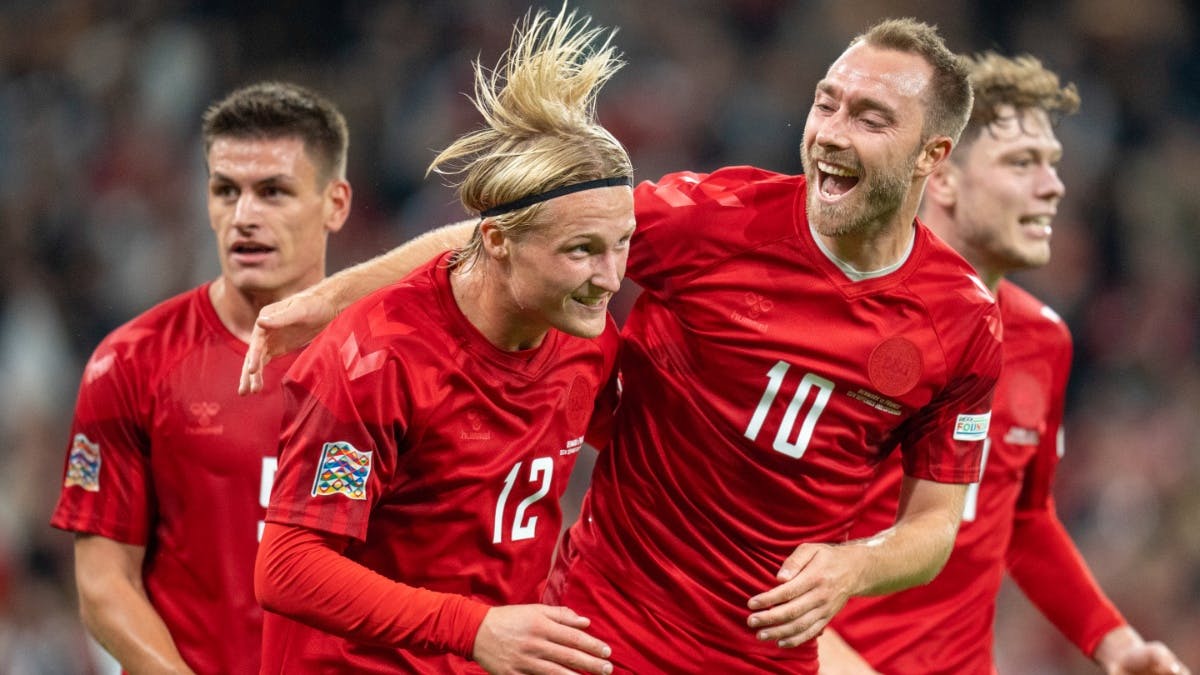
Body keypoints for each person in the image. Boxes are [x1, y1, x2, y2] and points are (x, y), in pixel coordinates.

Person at [240, 18, 1002, 674]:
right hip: (602, 637)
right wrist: (330, 298)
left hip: (764, 655)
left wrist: (856, 565)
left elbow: (935, 525)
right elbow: (536, 228)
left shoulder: (964, 322)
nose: (831, 131)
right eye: (825, 102)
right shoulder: (717, 218)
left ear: (931, 155)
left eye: (870, 118)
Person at [252, 7, 628, 674]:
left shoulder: (583, 332)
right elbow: (287, 567)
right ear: (498, 242)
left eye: (621, 244)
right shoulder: (376, 361)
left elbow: (658, 451)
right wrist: (473, 626)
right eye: (582, 251)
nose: (611, 277)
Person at [819, 52, 1191, 675]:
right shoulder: (846, 321)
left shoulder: (1045, 340)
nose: (1053, 186)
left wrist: (1114, 642)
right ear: (943, 178)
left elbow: (1022, 515)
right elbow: (756, 543)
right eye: (1022, 163)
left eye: (1052, 164)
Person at [49, 81, 353, 674]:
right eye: (225, 190)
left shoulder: (392, 362)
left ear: (335, 204)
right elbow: (104, 581)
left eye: (273, 192)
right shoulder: (132, 362)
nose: (244, 217)